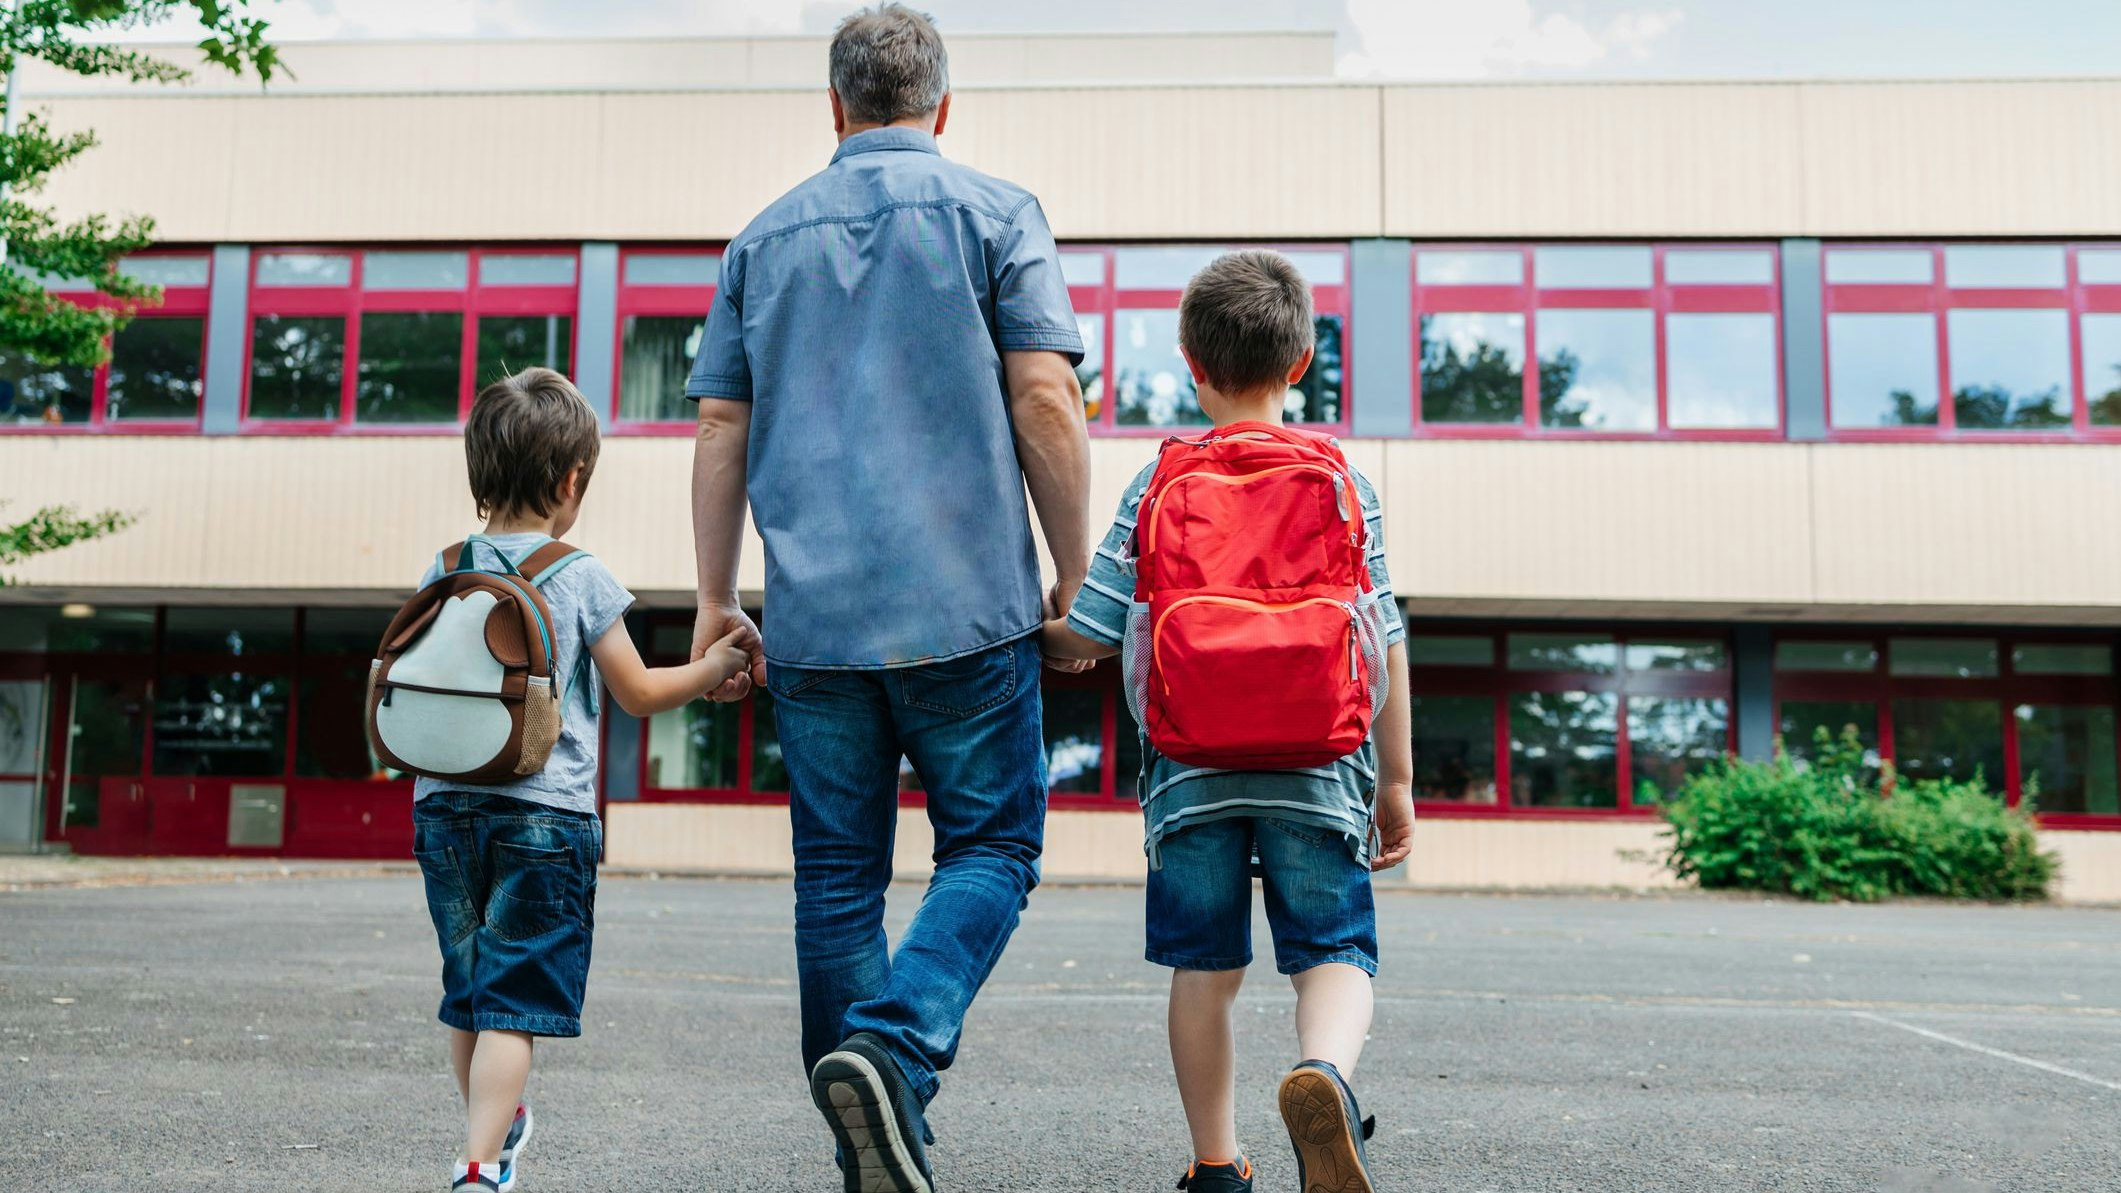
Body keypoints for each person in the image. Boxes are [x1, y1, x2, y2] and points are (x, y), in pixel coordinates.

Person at [682, 6, 1092, 1191]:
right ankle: (894, 1052)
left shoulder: (760, 241)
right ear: (943, 106)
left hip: (816, 626)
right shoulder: (998, 215)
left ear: (835, 106)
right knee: (995, 845)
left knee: (835, 881)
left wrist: (713, 598)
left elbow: (719, 427)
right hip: (969, 612)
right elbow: (1046, 400)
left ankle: (867, 1140)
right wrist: (1076, 576)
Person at [1041, 251, 1416, 1193]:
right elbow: (1382, 636)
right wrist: (1399, 782)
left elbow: (1089, 631)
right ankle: (1323, 1074)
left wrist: (1033, 633)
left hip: (1190, 771)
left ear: (1189, 363)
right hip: (1321, 763)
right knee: (1332, 951)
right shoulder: (1343, 478)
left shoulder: (1158, 481)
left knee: (1202, 969)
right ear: (1301, 362)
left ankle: (1216, 1163)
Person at [410, 368, 758, 1193]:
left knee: (469, 991)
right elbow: (637, 691)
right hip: (542, 817)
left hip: (442, 807)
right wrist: (713, 666)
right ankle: (476, 1166)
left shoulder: (445, 565)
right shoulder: (578, 573)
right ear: (572, 480)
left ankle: (491, 1127)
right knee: (513, 1000)